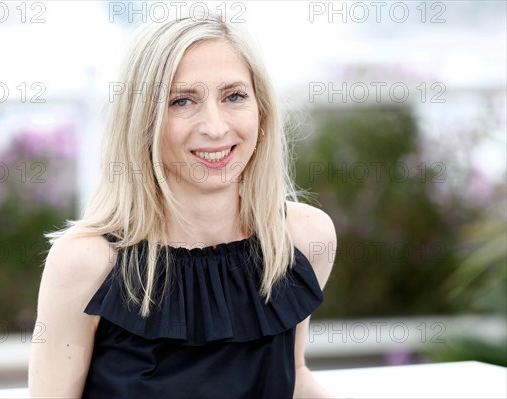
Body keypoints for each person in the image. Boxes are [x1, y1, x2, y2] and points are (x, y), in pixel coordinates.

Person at [28, 9, 336, 399]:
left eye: (234, 96)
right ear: (143, 120)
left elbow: (295, 377)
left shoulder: (302, 239)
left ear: (262, 111)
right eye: (182, 101)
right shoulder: (86, 263)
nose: (215, 126)